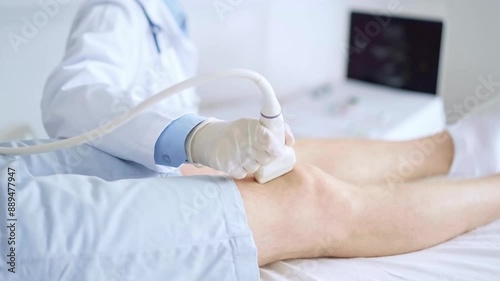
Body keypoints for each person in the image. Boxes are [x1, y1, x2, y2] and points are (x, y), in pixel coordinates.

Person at [1, 110, 499, 280]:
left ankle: (462, 147)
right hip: (16, 243)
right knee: (303, 200)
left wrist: (195, 135)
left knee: (266, 158)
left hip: (10, 172)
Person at [41, 0, 293, 180]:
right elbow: (71, 98)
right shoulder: (112, 11)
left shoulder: (169, 13)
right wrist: (196, 137)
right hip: (132, 189)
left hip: (173, 175)